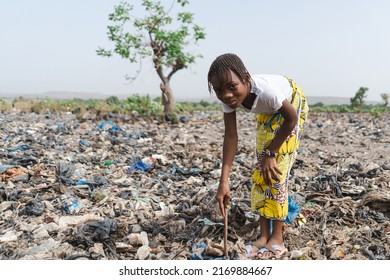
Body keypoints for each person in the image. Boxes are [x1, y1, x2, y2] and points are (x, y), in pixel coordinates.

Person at [207, 53, 309, 259]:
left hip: (291, 104)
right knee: (262, 171)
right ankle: (263, 236)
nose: (226, 95)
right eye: (218, 90)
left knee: (276, 171)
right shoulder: (230, 98)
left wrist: (271, 153)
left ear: (246, 77)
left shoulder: (268, 93)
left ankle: (277, 238)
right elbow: (231, 137)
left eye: (232, 86)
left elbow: (291, 119)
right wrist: (223, 181)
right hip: (269, 111)